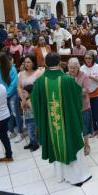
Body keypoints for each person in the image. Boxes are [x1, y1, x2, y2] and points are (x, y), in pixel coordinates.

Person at [31, 53, 92, 186]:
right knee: (72, 143)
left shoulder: (40, 82)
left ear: (46, 64)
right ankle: (76, 177)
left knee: (56, 145)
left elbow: (35, 102)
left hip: (51, 125)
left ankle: (60, 176)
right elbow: (78, 99)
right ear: (59, 63)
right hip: (68, 124)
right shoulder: (67, 80)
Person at [0, 53, 22, 142]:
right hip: (2, 95)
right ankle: (11, 131)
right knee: (8, 113)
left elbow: (14, 84)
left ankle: (20, 132)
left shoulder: (12, 69)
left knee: (15, 113)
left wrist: (7, 94)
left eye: (0, 62)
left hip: (12, 94)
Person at [68, 58, 92, 156]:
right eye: (70, 68)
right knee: (74, 127)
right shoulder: (66, 76)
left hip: (83, 106)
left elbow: (86, 90)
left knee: (85, 127)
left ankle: (87, 145)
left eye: (74, 68)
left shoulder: (84, 76)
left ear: (78, 67)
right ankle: (78, 144)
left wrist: (74, 92)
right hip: (71, 107)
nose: (72, 70)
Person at [80, 51, 98, 138]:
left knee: (97, 112)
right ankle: (95, 129)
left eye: (89, 58)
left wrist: (92, 77)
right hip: (87, 94)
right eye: (86, 58)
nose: (88, 60)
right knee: (90, 113)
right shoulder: (82, 68)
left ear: (93, 58)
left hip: (97, 92)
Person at [20, 84, 39, 152]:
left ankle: (35, 144)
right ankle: (31, 143)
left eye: (24, 92)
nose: (23, 94)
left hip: (32, 119)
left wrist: (27, 104)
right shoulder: (25, 99)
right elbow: (23, 108)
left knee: (31, 133)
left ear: (30, 93)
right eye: (22, 92)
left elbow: (33, 109)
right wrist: (23, 103)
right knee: (29, 132)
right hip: (27, 118)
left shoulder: (32, 100)